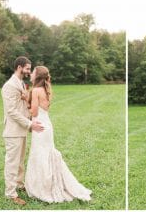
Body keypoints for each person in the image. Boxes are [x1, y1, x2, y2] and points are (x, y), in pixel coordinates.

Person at [25, 66, 92, 203]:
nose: (30, 74)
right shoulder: (45, 90)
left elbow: (34, 113)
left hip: (40, 127)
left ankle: (42, 187)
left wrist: (27, 100)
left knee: (40, 154)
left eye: (33, 72)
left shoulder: (36, 90)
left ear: (37, 76)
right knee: (47, 153)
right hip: (47, 125)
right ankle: (51, 183)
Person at [1, 56, 44, 205]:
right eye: (27, 68)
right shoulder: (9, 86)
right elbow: (12, 111)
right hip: (13, 131)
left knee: (20, 161)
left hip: (22, 129)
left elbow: (22, 107)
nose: (29, 71)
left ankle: (19, 184)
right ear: (19, 67)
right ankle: (11, 193)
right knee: (12, 162)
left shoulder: (20, 83)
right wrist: (30, 124)